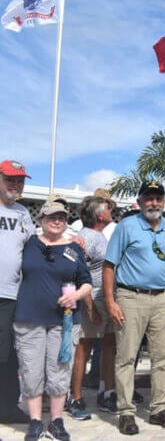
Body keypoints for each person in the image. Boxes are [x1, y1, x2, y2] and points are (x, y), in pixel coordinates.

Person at [103, 180, 165, 435]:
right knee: (126, 357)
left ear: (164, 201)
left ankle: (159, 409)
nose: (154, 203)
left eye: (158, 198)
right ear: (140, 201)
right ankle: (126, 412)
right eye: (149, 198)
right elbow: (109, 265)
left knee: (162, 358)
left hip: (162, 299)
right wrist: (110, 301)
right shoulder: (127, 226)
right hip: (131, 297)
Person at [15, 200, 92, 441]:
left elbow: (87, 282)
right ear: (41, 220)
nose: (57, 221)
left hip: (64, 321)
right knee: (31, 371)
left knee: (59, 371)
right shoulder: (28, 244)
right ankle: (36, 422)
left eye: (61, 217)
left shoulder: (75, 248)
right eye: (51, 217)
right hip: (29, 318)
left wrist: (76, 295)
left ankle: (57, 421)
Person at [69, 196, 115, 421]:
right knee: (83, 348)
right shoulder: (86, 237)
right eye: (108, 209)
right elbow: (79, 274)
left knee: (109, 345)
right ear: (99, 214)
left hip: (104, 299)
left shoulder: (99, 236)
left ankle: (105, 393)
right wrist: (89, 307)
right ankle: (75, 397)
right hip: (92, 299)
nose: (111, 212)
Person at [0, 160, 34, 425]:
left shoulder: (23, 212)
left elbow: (34, 246)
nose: (16, 185)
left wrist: (70, 237)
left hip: (12, 295)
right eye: (10, 179)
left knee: (9, 355)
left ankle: (8, 407)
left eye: (20, 180)